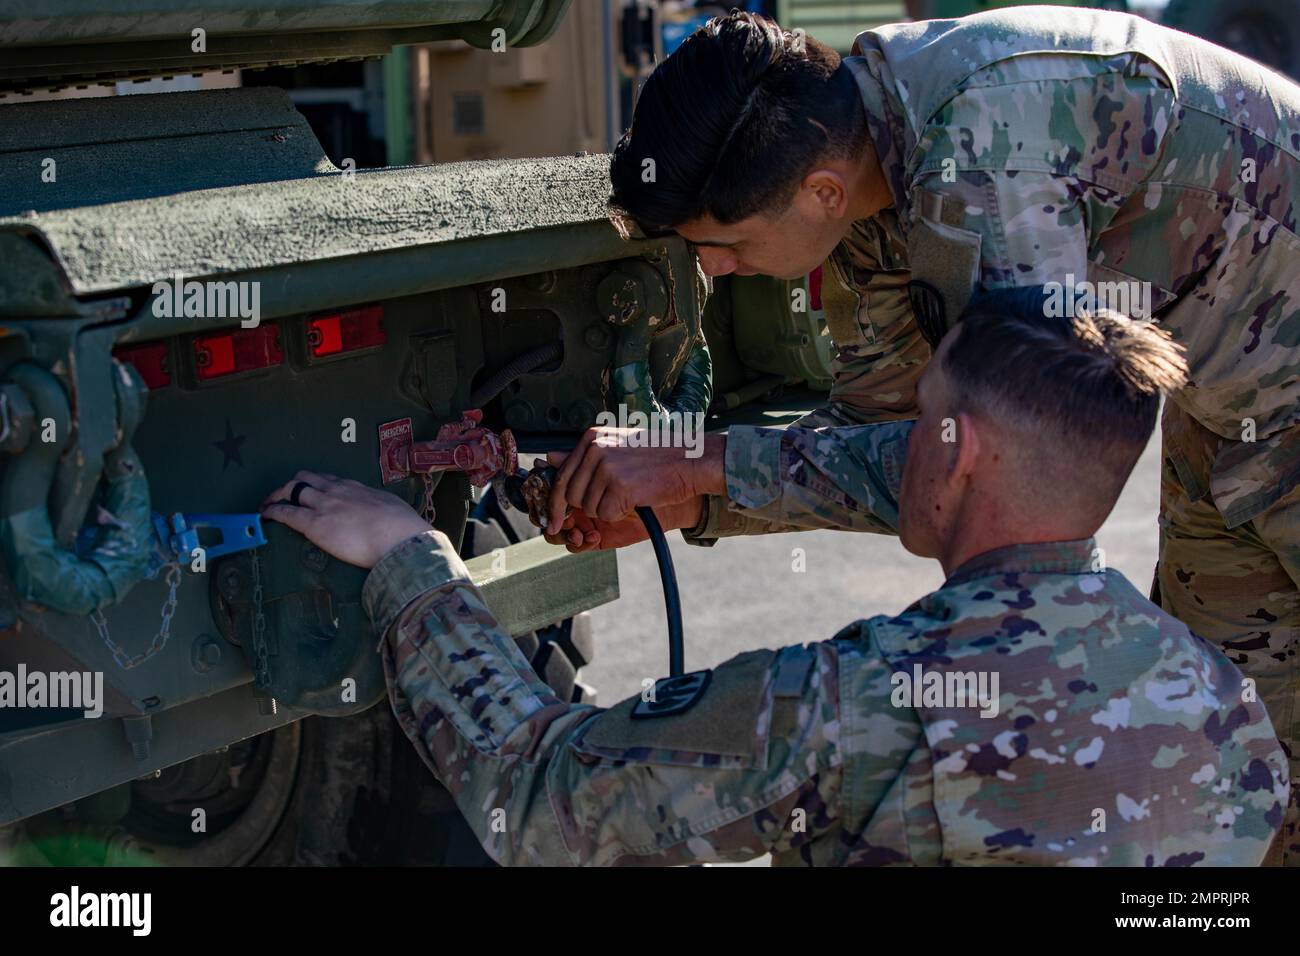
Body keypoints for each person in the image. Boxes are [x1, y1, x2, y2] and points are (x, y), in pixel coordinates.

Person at [602, 7, 1300, 864]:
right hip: (1232, 401)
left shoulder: (987, 155)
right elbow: (903, 450)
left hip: (1276, 386)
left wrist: (709, 463)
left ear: (818, 190)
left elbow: (1007, 459)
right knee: (1256, 761)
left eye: (726, 245)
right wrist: (692, 498)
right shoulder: (863, 174)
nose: (711, 268)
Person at [261, 290, 1288, 866]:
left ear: (957, 449)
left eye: (916, 412)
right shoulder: (1224, 706)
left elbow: (538, 799)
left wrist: (412, 562)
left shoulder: (861, 700)